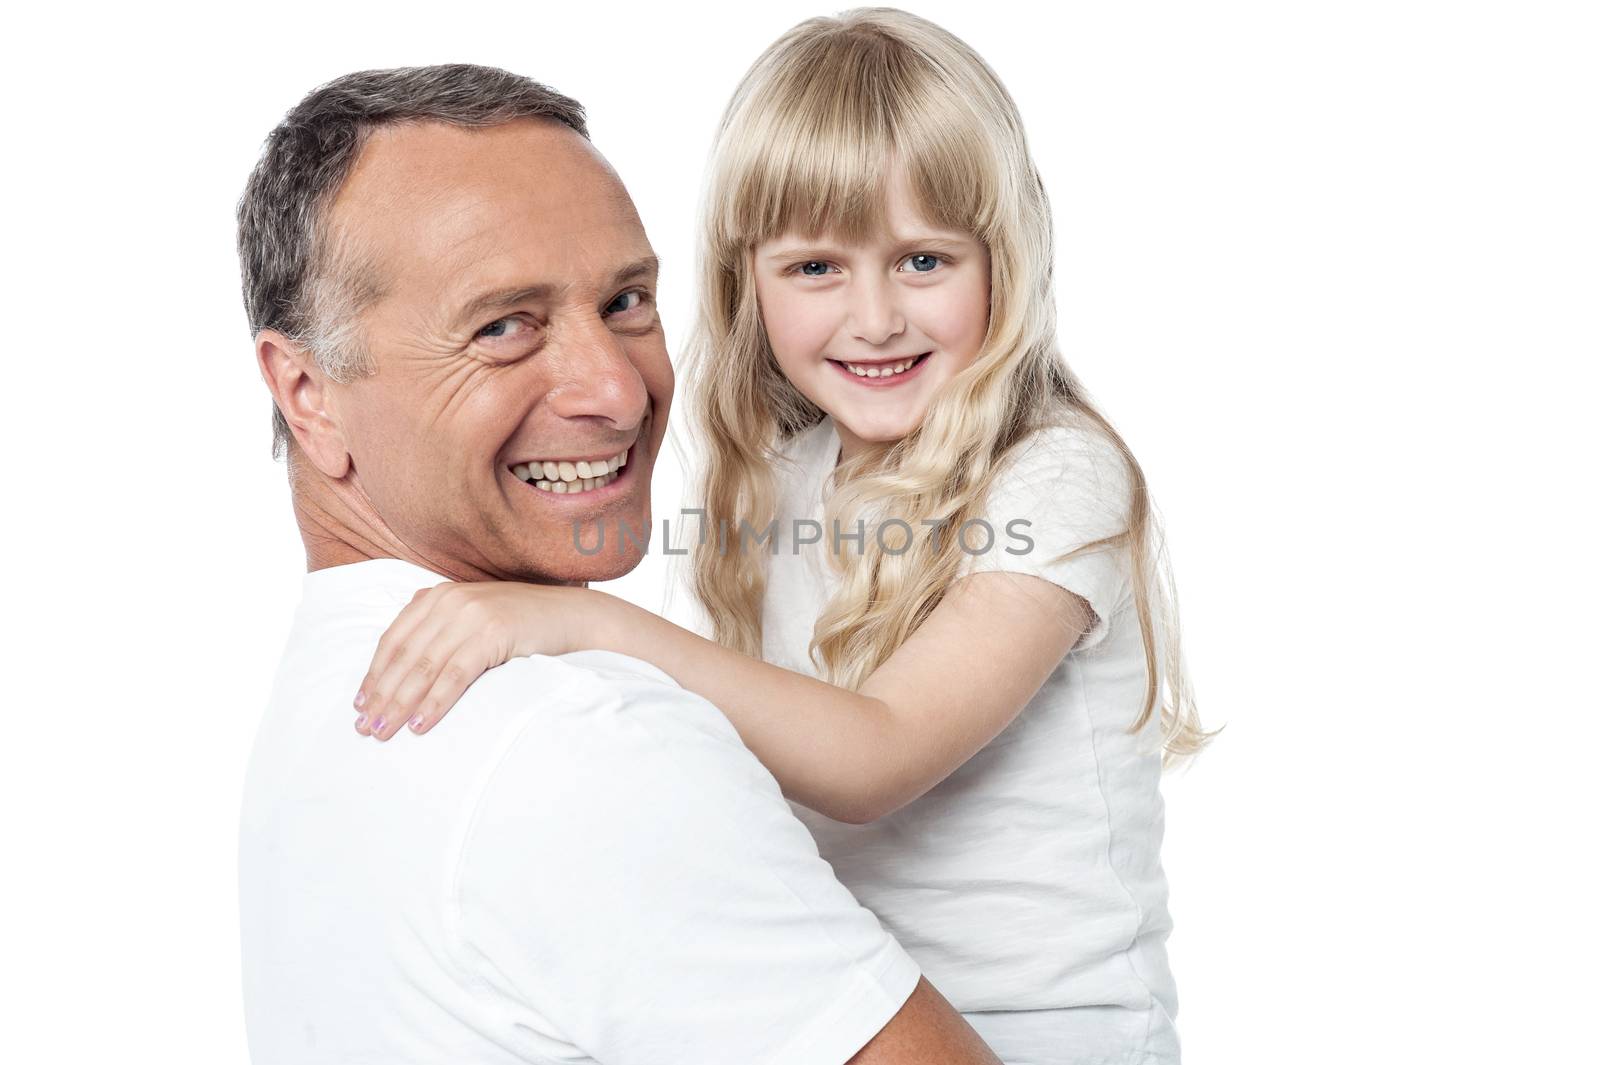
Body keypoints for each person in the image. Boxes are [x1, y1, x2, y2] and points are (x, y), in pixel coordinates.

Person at [351, 10, 1212, 1065]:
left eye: (924, 261)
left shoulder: (1057, 475)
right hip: (849, 1019)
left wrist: (577, 622)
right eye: (816, 269)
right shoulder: (784, 479)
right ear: (747, 278)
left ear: (1006, 259)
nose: (876, 317)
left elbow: (874, 756)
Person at [236, 63, 1004, 1064]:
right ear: (307, 392)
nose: (615, 388)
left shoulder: (330, 703)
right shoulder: (576, 743)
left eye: (626, 300)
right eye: (502, 327)